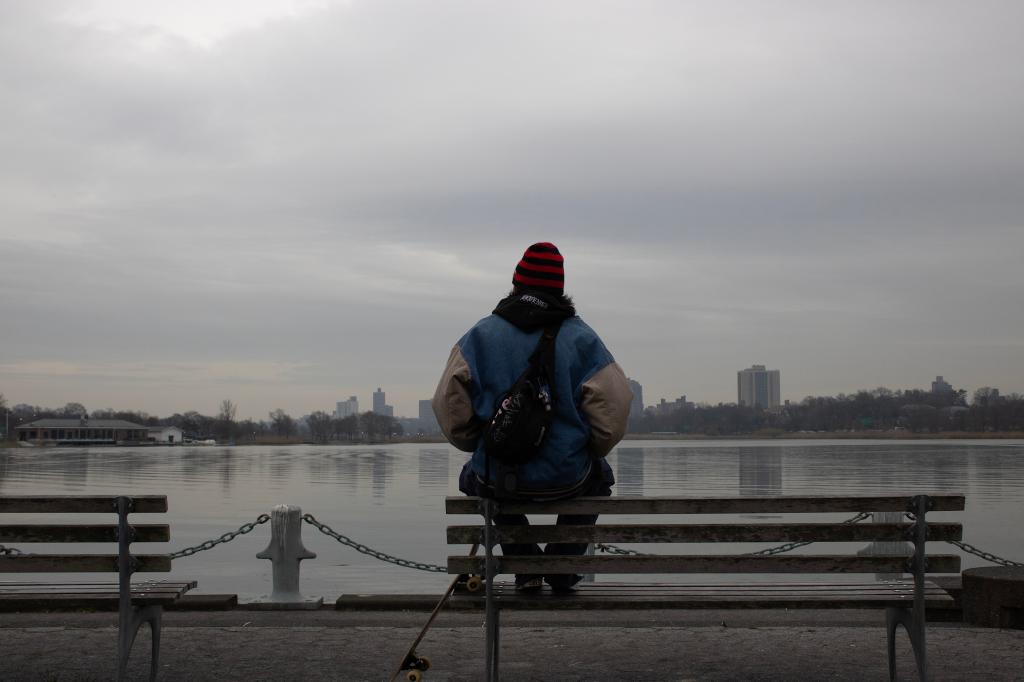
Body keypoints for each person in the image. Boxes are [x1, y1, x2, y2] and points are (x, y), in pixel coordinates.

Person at [432, 242, 632, 592]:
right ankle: (561, 564)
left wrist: (476, 441)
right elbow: (612, 413)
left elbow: (448, 404)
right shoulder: (582, 338)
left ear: (516, 284)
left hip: (500, 476)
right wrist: (586, 448)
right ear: (560, 288)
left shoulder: (480, 335)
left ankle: (525, 563)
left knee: (473, 478)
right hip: (567, 476)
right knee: (600, 477)